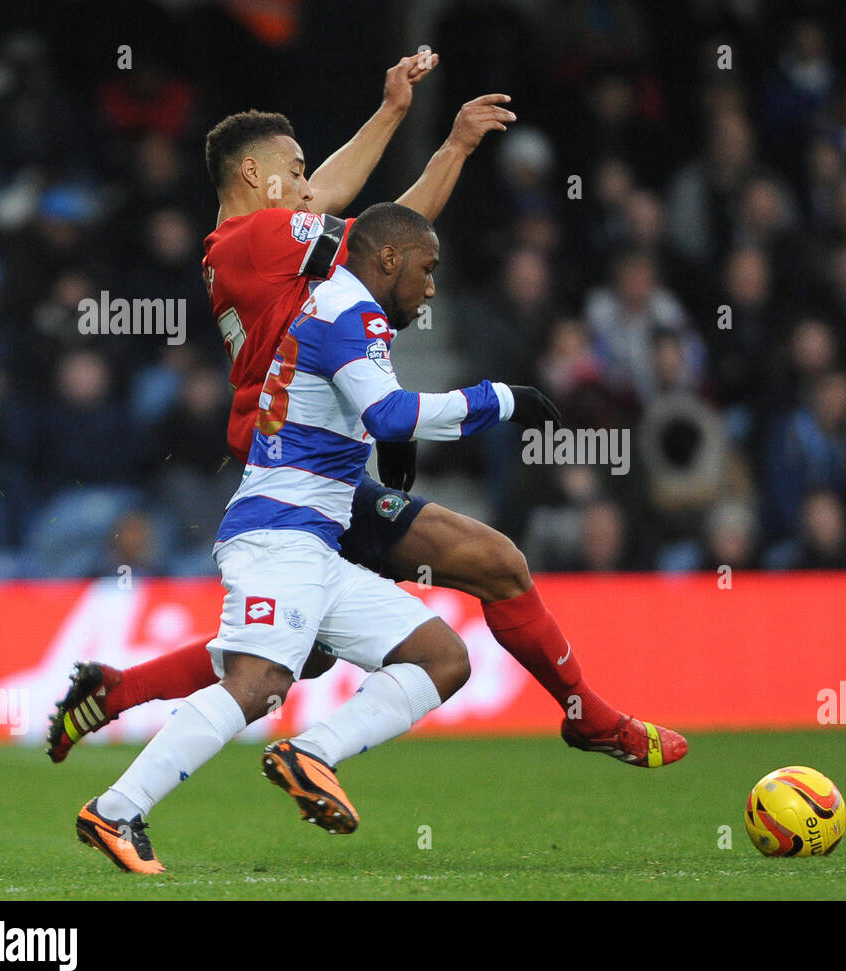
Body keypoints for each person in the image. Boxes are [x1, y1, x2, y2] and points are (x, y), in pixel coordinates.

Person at [50, 54, 687, 776]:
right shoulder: (256, 239)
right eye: (294, 170)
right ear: (256, 177)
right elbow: (381, 243)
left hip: (308, 460)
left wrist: (446, 143)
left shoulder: (265, 252)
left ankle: (119, 689)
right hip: (298, 474)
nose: (305, 183)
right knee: (493, 566)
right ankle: (585, 715)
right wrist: (402, 121)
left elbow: (390, 240)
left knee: (301, 652)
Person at [76, 205, 564, 872]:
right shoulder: (351, 311)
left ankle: (312, 752)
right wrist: (500, 399)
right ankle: (117, 808)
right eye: (427, 268)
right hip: (280, 536)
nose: (430, 287)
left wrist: (390, 444)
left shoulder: (335, 306)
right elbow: (389, 411)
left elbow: (373, 416)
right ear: (388, 259)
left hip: (314, 544)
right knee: (257, 682)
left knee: (441, 656)